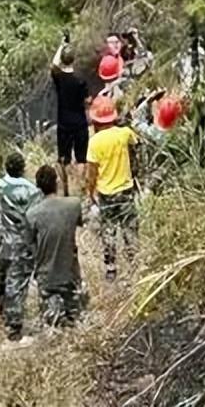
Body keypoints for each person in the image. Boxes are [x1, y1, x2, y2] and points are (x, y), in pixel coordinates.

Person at [0, 150, 42, 341]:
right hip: (20, 244)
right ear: (23, 169)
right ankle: (13, 329)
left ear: (5, 168)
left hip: (0, 242)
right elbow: (35, 219)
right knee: (16, 284)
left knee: (0, 275)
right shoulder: (31, 190)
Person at [85, 96, 139, 281]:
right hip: (126, 190)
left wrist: (90, 192)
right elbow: (136, 142)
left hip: (105, 193)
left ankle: (111, 268)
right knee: (129, 229)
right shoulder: (124, 133)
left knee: (108, 230)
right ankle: (135, 264)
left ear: (95, 120)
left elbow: (92, 172)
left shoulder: (94, 142)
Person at [25, 164, 85, 328]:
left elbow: (29, 247)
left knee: (53, 325)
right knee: (77, 321)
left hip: (47, 281)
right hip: (70, 277)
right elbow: (78, 223)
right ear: (57, 182)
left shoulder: (32, 215)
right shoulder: (74, 205)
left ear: (38, 187)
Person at [50, 36, 90, 196]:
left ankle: (66, 189)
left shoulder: (58, 77)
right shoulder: (80, 80)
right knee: (81, 157)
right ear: (74, 60)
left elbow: (54, 64)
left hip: (63, 123)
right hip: (79, 122)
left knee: (64, 158)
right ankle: (79, 189)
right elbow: (87, 101)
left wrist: (61, 45)